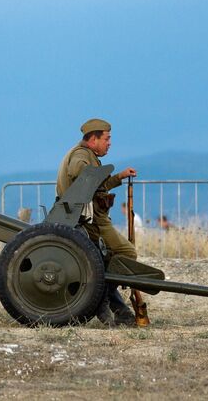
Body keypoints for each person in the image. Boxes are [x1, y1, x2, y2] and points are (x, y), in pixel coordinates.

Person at [56, 118, 138, 326]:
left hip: (91, 218)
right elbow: (77, 171)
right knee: (127, 253)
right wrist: (91, 172)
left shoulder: (89, 155)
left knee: (105, 261)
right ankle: (103, 295)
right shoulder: (82, 155)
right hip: (91, 220)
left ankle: (112, 305)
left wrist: (119, 176)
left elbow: (98, 185)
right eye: (106, 139)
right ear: (93, 139)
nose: (109, 143)